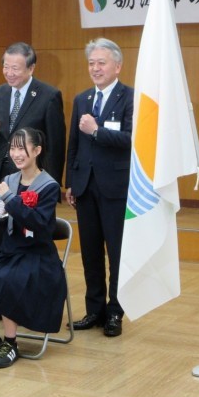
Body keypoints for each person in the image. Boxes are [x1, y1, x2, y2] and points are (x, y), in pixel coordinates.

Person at [0, 128, 66, 368]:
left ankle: (11, 343)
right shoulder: (9, 181)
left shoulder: (49, 185)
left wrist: (10, 202)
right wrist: (0, 213)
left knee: (9, 279)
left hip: (38, 255)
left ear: (37, 150)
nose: (16, 154)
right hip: (11, 250)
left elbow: (40, 225)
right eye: (13, 148)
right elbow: (7, 223)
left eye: (22, 148)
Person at [65, 38, 134, 338]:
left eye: (101, 63)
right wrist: (70, 181)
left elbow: (132, 140)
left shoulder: (130, 97)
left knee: (116, 252)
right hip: (85, 186)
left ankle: (115, 311)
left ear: (117, 66)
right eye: (91, 63)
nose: (95, 68)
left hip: (115, 186)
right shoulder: (82, 98)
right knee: (90, 252)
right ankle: (94, 310)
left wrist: (97, 131)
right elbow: (73, 143)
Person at [0, 42, 66, 253]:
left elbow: (56, 145)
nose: (9, 73)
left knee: (28, 234)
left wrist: (52, 186)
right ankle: (1, 268)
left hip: (32, 179)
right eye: (6, 67)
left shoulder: (48, 95)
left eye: (15, 68)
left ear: (31, 68)